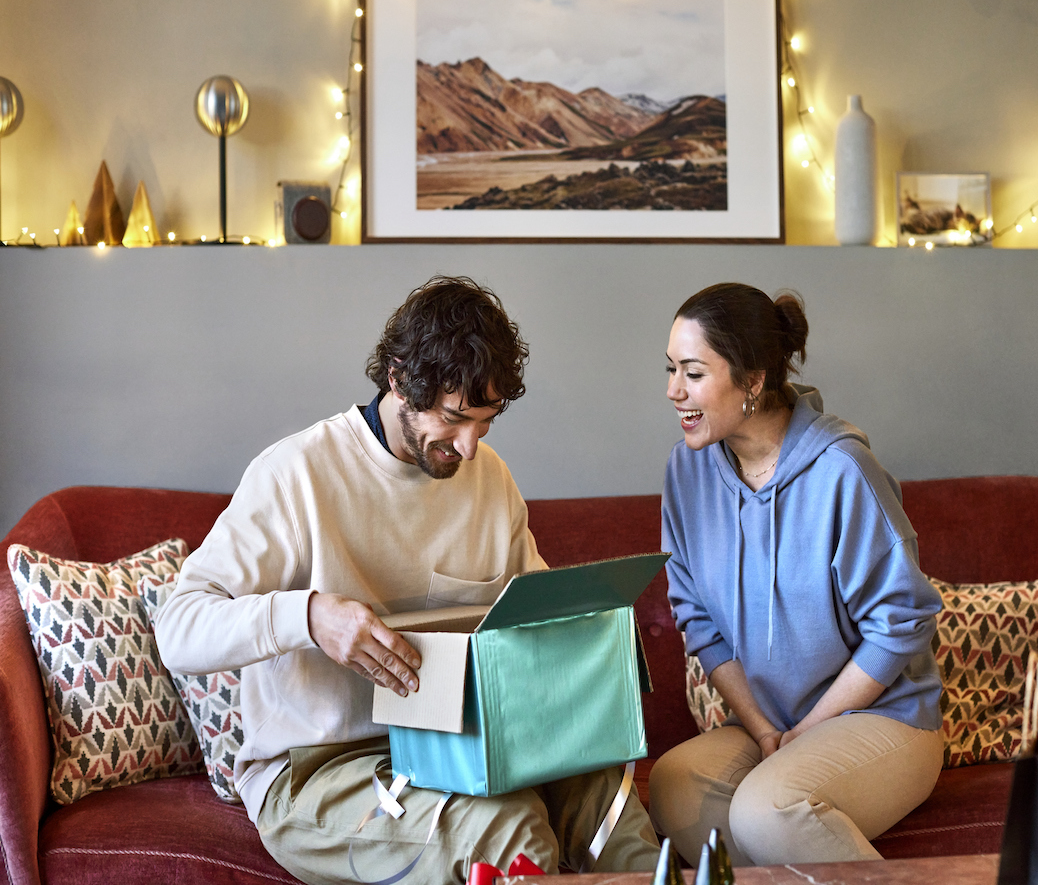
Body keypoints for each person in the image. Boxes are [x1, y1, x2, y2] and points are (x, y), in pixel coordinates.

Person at [156, 276, 659, 885]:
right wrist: (308, 617)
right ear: (398, 379)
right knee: (509, 830)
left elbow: (537, 617)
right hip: (320, 769)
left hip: (465, 742)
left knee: (613, 810)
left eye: (487, 421)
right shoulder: (296, 475)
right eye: (455, 418)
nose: (471, 447)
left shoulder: (489, 479)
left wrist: (595, 642)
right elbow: (178, 630)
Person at [649, 282, 943, 867]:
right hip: (768, 722)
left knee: (768, 809)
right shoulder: (687, 472)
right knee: (674, 786)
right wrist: (762, 730)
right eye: (670, 369)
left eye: (693, 372)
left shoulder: (842, 470)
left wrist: (808, 729)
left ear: (753, 380)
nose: (673, 390)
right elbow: (698, 619)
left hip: (882, 719)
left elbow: (900, 626)